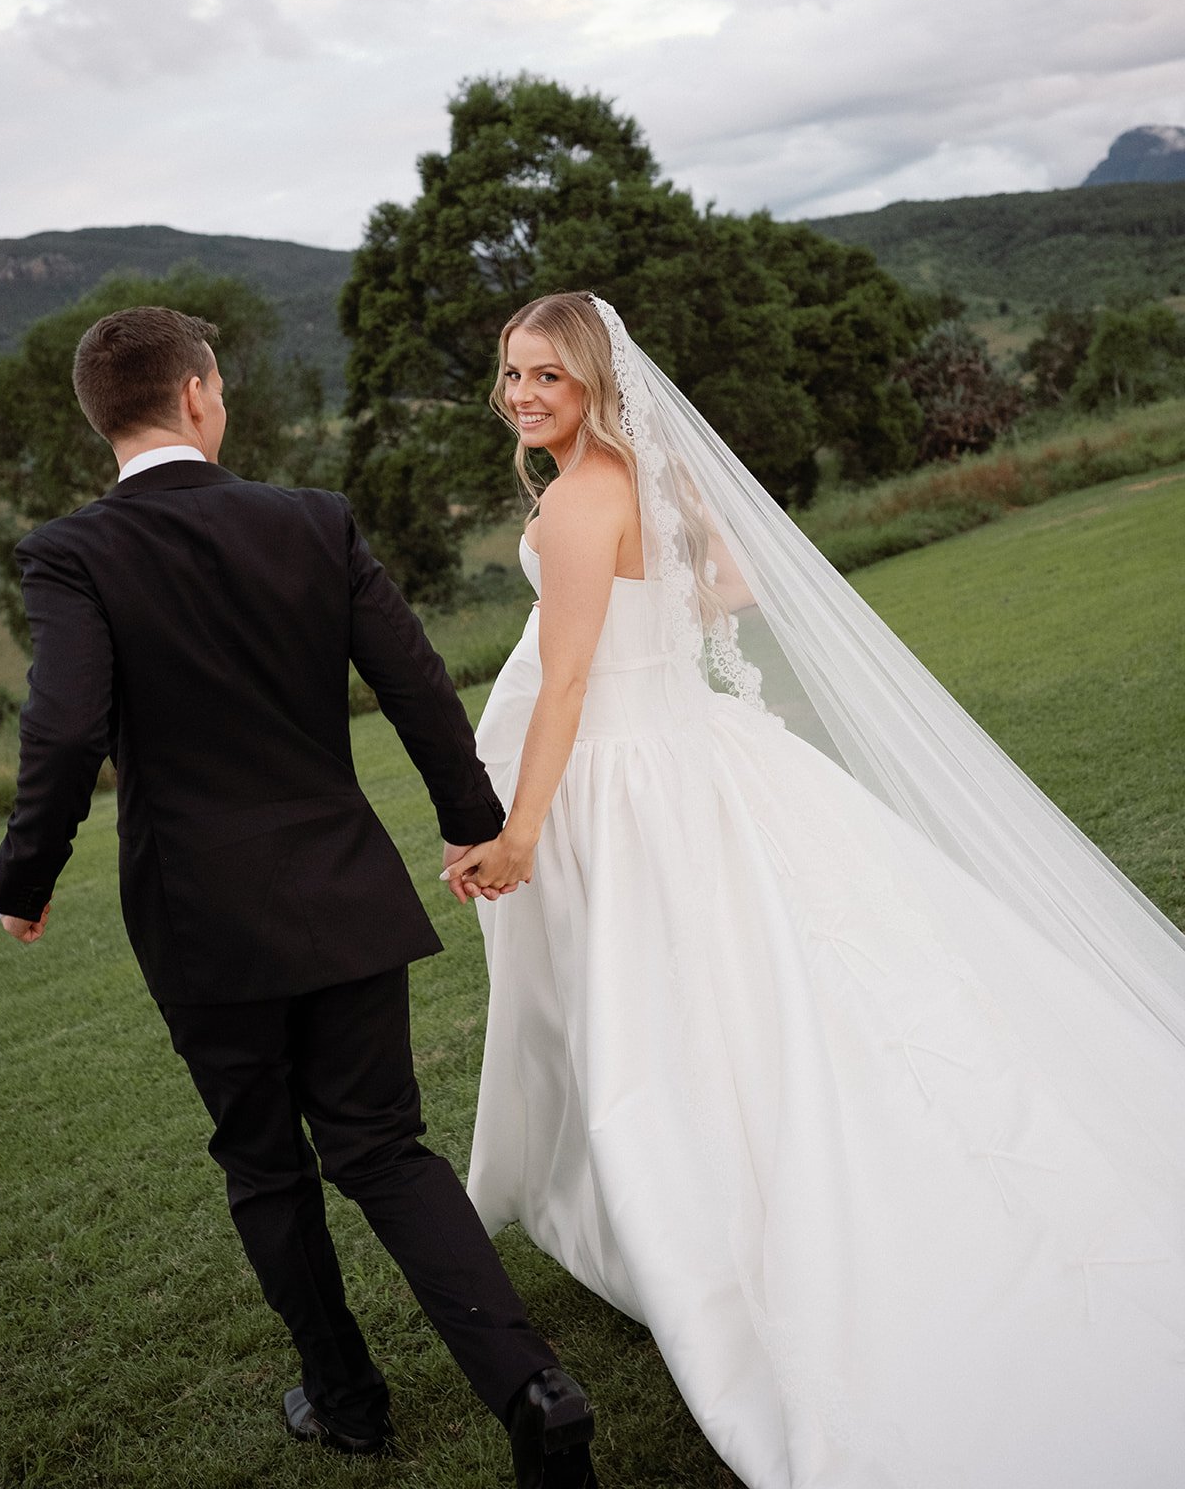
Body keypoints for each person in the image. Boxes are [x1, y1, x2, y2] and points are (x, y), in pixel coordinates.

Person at [445, 291, 1185, 1489]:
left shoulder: (580, 498)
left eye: (548, 377)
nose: (522, 395)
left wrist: (519, 830)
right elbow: (733, 581)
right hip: (708, 751)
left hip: (634, 778)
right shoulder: (647, 476)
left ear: (594, 384)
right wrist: (659, 618)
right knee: (801, 974)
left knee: (676, 1007)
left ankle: (729, 1206)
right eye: (513, 373)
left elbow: (570, 684)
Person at [0, 305, 598, 1489]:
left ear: (104, 419)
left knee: (265, 1164)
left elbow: (62, 730)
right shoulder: (312, 519)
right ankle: (533, 1385)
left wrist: (27, 876)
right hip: (344, 888)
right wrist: (473, 819)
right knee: (385, 1148)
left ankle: (348, 1403)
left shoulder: (69, 553)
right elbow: (415, 681)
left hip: (200, 916)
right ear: (199, 394)